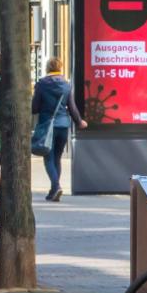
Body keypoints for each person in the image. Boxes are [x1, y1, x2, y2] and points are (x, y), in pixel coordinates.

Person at [32, 57, 88, 202]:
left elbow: (35, 107)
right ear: (60, 68)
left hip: (47, 125)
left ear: (47, 68)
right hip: (63, 125)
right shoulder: (66, 85)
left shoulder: (42, 84)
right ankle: (53, 190)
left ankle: (56, 186)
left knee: (48, 157)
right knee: (57, 157)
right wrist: (79, 121)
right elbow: (72, 107)